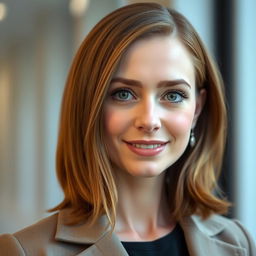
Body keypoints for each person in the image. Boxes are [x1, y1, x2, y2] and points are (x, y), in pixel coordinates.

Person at [0, 2, 255, 256]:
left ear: (197, 109)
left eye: (174, 96)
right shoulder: (25, 250)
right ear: (90, 106)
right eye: (123, 94)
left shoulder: (238, 243)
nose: (149, 120)